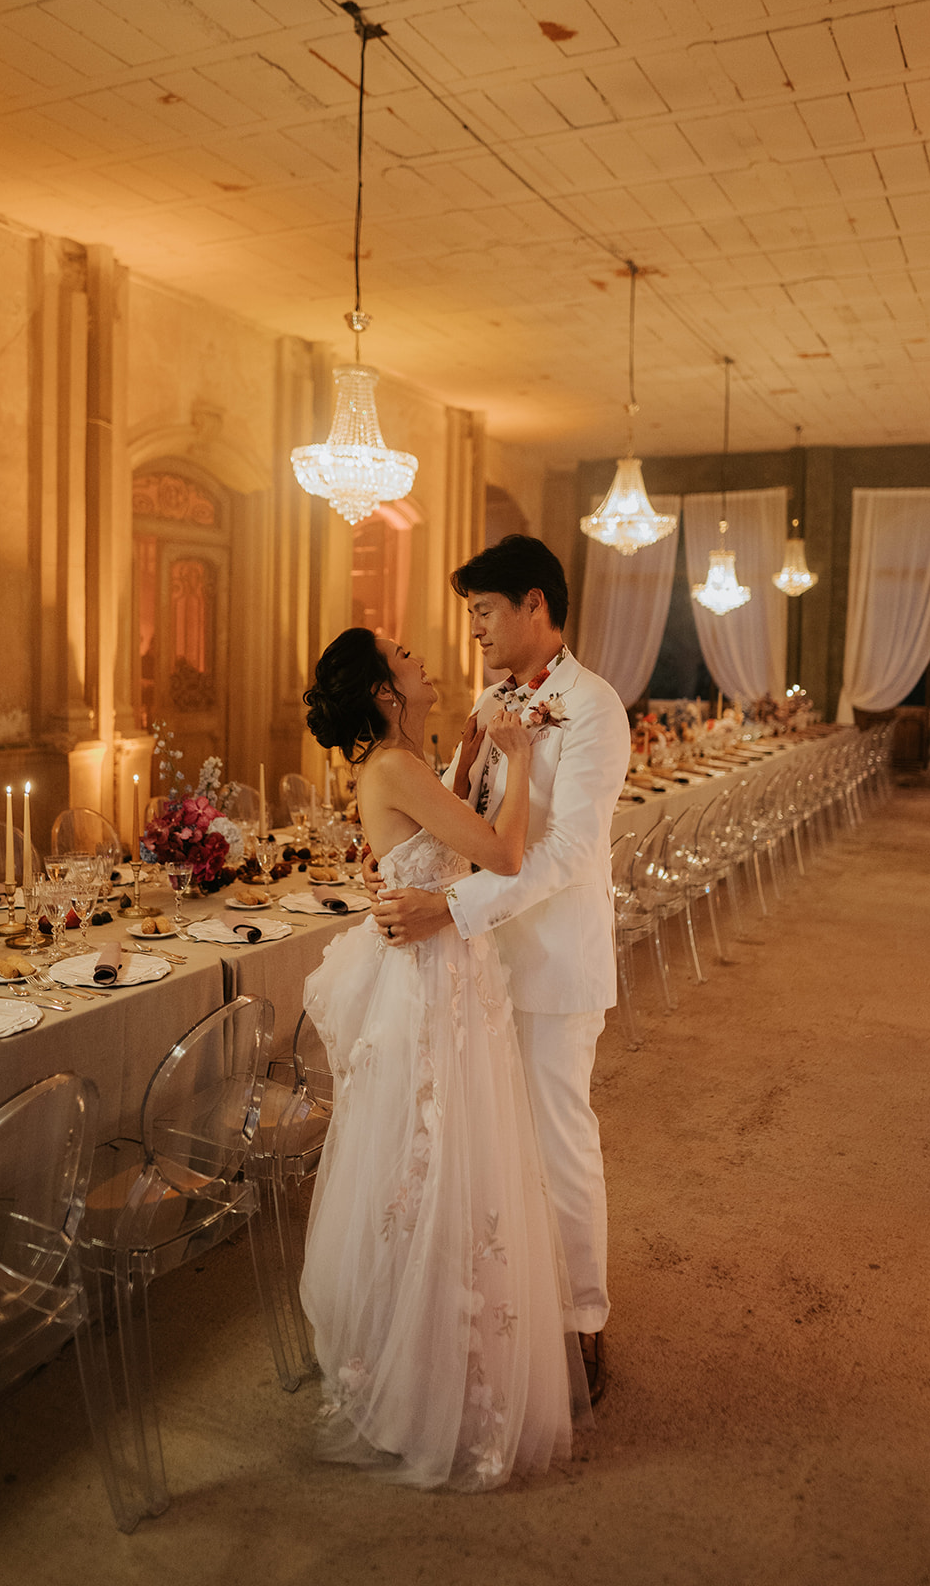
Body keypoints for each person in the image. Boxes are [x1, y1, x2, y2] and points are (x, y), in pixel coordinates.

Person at [298, 627, 590, 1492]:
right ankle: (421, 1368)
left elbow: (442, 844)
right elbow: (499, 854)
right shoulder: (392, 768)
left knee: (438, 1160)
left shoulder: (404, 764)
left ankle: (432, 1349)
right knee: (430, 1161)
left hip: (442, 971)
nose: (421, 656)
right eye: (403, 655)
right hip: (431, 983)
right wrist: (520, 762)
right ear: (387, 692)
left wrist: (466, 767)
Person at [370, 535, 631, 1405]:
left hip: (553, 962)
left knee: (558, 1142)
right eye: (469, 614)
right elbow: (466, 814)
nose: (473, 629)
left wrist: (449, 910)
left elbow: (563, 851)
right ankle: (508, 1311)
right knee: (489, 1145)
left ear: (533, 605)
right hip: (478, 966)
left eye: (484, 611)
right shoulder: (491, 698)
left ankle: (583, 1320)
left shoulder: (593, 706)